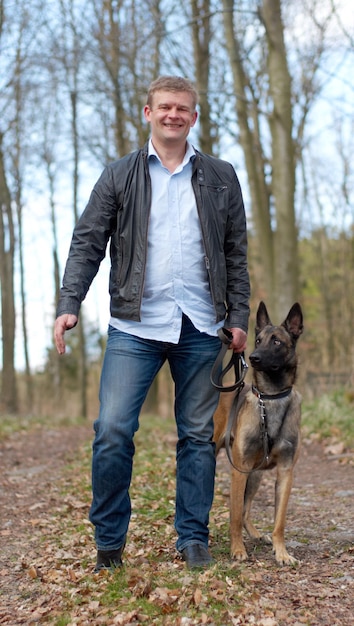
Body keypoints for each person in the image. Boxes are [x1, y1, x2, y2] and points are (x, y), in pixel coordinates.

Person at [54, 76, 250, 571]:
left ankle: (193, 538)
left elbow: (236, 255)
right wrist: (68, 302)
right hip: (135, 326)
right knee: (113, 430)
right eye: (165, 107)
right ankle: (110, 542)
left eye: (183, 109)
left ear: (194, 117)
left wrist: (239, 317)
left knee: (197, 436)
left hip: (203, 325)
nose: (173, 115)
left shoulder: (222, 176)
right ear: (148, 113)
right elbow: (87, 242)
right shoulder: (119, 175)